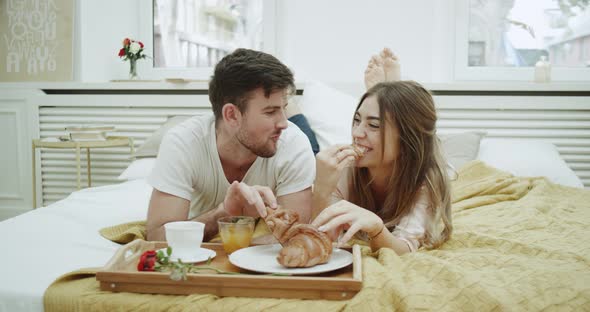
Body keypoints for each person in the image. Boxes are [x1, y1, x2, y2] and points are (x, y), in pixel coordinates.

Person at [146, 48, 316, 241]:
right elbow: (156, 238)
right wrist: (225, 213)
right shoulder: (183, 143)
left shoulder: (294, 144)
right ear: (232, 115)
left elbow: (294, 238)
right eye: (270, 112)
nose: (284, 123)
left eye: (283, 109)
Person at [311, 48, 452, 255]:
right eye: (357, 120)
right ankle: (389, 92)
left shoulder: (426, 181)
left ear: (405, 138)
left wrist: (376, 227)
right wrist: (322, 189)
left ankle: (391, 92)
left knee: (436, 157)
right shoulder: (346, 169)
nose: (356, 134)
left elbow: (404, 248)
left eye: (374, 125)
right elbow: (322, 238)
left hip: (421, 162)